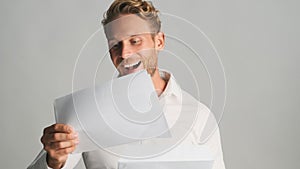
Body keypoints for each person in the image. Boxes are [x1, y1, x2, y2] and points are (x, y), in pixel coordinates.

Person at [28, 0, 226, 169]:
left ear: (159, 41)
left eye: (135, 41)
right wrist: (53, 160)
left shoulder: (199, 117)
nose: (124, 54)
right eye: (115, 44)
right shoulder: (87, 113)